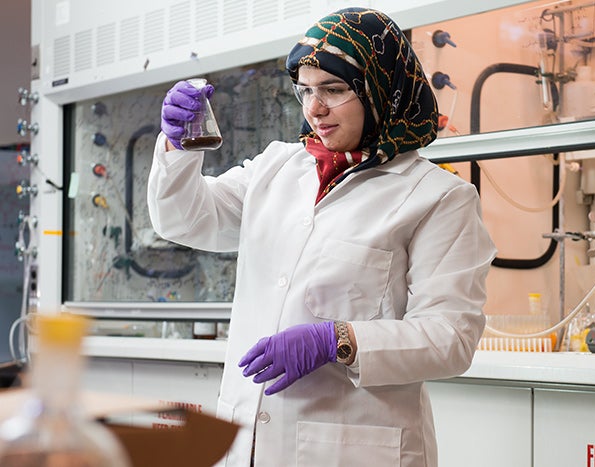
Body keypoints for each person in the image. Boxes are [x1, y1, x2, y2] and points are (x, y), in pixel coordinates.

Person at [148, 7, 496, 467]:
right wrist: (177, 143)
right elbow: (184, 219)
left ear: (381, 89)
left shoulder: (438, 197)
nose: (315, 108)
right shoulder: (277, 167)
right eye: (306, 90)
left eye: (333, 89)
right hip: (249, 442)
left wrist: (339, 340)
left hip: (356, 448)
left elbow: (450, 338)